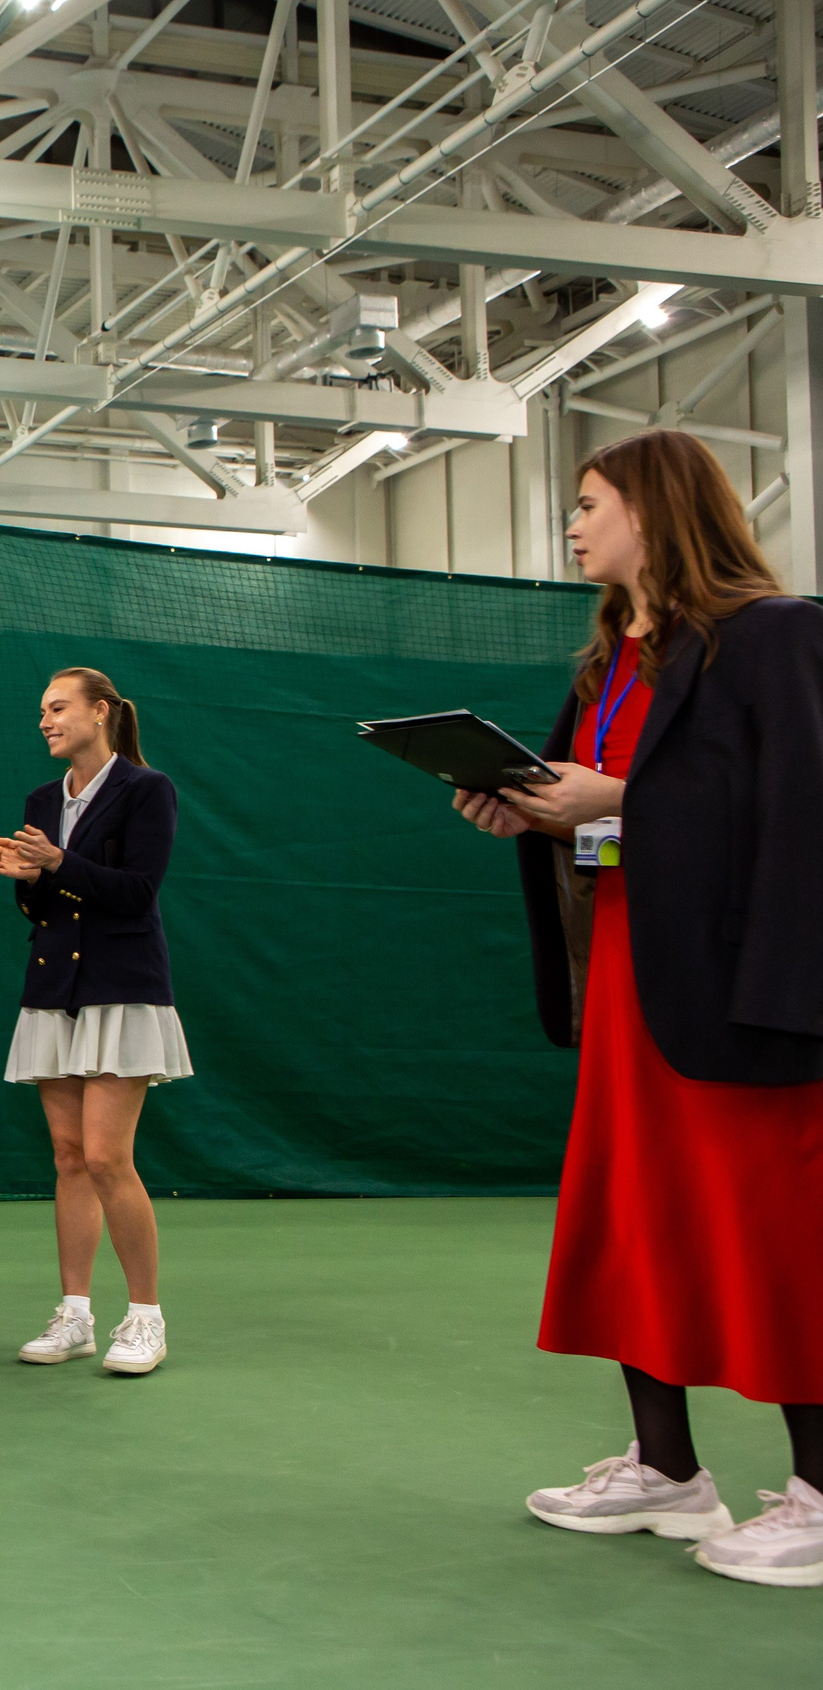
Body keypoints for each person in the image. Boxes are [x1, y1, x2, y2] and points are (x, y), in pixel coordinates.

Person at [451, 430, 823, 1589]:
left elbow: (795, 814)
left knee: (772, 1229)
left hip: (742, 993)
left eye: (590, 501)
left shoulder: (775, 634)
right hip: (625, 976)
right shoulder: (609, 661)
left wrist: (619, 800)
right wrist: (545, 813)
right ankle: (668, 1470)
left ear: (655, 512)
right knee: (634, 1215)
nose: (572, 522)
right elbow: (625, 827)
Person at [0, 668, 190, 1378]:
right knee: (68, 1158)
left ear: (100, 713)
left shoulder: (146, 789)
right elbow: (44, 912)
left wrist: (59, 863)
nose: (45, 720)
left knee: (105, 1157)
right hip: (53, 989)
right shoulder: (43, 799)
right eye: (41, 710)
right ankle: (75, 1314)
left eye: (58, 708)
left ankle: (147, 1317)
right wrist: (29, 881)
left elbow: (137, 892)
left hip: (123, 989)